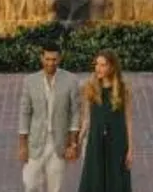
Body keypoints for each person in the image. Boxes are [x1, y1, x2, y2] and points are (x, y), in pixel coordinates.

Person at [18, 41, 80, 192]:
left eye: (54, 59)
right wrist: (22, 145)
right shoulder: (30, 81)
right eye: (47, 59)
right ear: (41, 58)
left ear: (59, 59)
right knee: (30, 183)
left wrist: (72, 144)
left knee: (55, 187)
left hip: (59, 143)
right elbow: (25, 112)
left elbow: (75, 112)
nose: (51, 63)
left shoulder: (71, 80)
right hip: (36, 142)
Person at [77, 50, 136, 191]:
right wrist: (78, 141)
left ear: (112, 67)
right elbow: (86, 119)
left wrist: (131, 149)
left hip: (117, 142)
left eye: (103, 65)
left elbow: (128, 120)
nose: (98, 68)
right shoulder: (90, 88)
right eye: (97, 64)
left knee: (116, 179)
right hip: (96, 141)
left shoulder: (123, 89)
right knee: (94, 179)